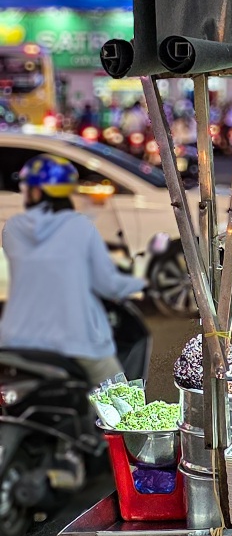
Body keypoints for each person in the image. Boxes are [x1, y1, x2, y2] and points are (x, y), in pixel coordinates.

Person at [0, 156, 145, 387]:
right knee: (122, 399)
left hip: (16, 338)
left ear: (37, 192)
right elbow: (106, 283)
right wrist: (141, 284)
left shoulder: (13, 227)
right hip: (74, 338)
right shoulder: (79, 227)